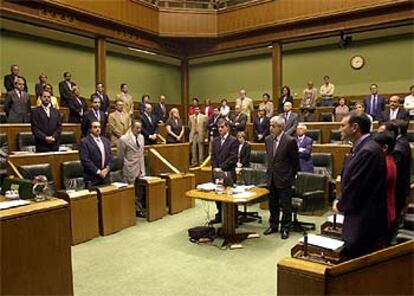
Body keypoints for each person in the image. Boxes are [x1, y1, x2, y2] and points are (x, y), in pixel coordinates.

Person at [333, 111, 387, 259]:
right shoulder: (360, 147)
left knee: (355, 262)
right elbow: (348, 178)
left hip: (364, 220)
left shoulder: (368, 151)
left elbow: (357, 186)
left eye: (343, 125)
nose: (339, 129)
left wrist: (340, 204)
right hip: (358, 216)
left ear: (355, 127)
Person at [264, 116, 299, 239]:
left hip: (285, 179)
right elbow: (270, 159)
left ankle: (285, 227)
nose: (270, 128)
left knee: (286, 206)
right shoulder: (267, 140)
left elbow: (295, 163)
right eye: (270, 125)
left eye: (273, 126)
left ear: (281, 127)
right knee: (272, 204)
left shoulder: (290, 141)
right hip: (271, 178)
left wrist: (290, 176)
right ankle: (273, 225)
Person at [210, 119, 238, 224]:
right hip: (217, 173)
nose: (220, 129)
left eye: (222, 127)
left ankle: (233, 220)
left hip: (228, 173)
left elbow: (233, 158)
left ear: (227, 127)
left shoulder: (233, 140)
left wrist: (221, 167)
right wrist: (215, 167)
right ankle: (220, 215)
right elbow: (213, 156)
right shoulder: (215, 140)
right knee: (218, 195)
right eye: (218, 127)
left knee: (229, 197)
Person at [118, 120, 146, 217]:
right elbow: (120, 156)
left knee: (139, 192)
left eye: (140, 128)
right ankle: (129, 212)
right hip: (129, 168)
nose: (139, 130)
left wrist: (143, 169)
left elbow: (141, 154)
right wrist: (123, 168)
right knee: (129, 192)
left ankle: (138, 210)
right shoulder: (124, 139)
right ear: (132, 127)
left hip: (140, 168)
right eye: (137, 128)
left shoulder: (141, 137)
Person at [374, 131, 397, 245]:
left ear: (384, 147)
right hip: (386, 211)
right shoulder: (388, 160)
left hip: (384, 213)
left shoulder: (385, 164)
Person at [390, 120, 412, 223]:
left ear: (397, 130)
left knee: (395, 214)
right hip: (402, 185)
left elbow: (395, 171)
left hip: (398, 187)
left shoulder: (398, 148)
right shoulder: (403, 141)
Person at [80, 121, 112, 187]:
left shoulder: (106, 141)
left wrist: (107, 169)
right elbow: (85, 160)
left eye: (99, 127)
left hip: (105, 177)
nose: (98, 129)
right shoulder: (84, 142)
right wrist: (98, 172)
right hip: (92, 178)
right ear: (90, 129)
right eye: (95, 127)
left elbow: (110, 157)